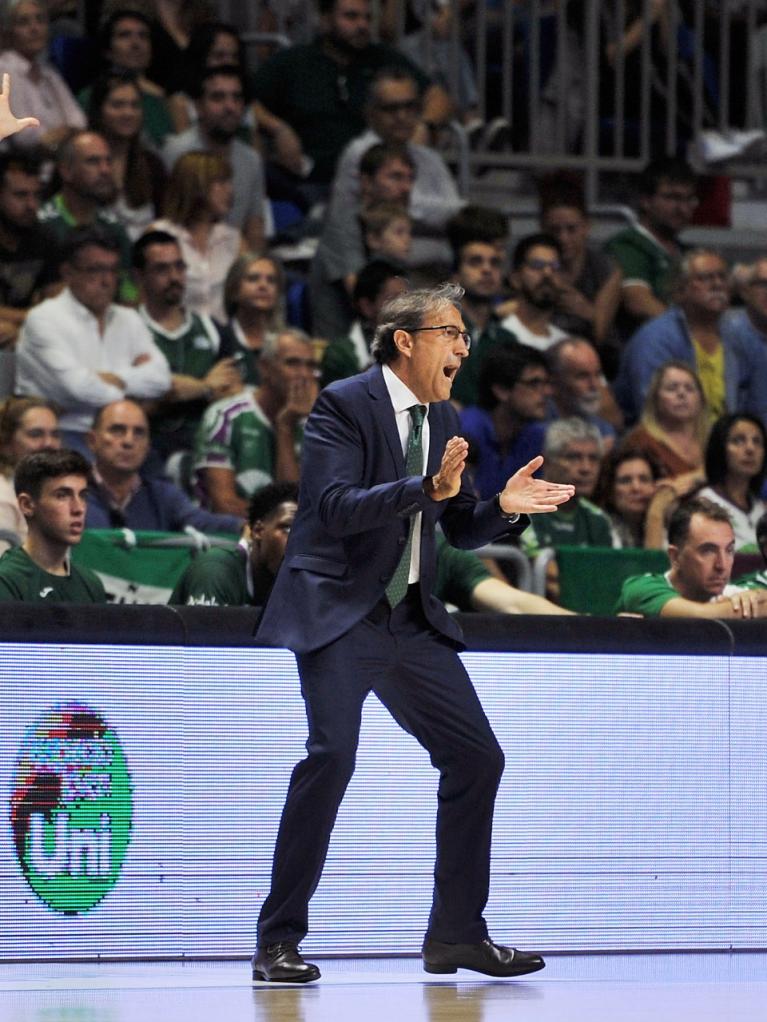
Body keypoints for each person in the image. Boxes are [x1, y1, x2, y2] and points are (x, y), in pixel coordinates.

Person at [252, 282, 575, 984]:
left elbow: (455, 525)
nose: (464, 345)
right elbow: (332, 508)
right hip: (340, 610)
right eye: (451, 332)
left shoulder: (443, 413)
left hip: (410, 617)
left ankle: (456, 934)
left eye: (465, 335)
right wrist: (422, 490)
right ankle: (276, 940)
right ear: (406, 341)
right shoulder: (344, 403)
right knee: (330, 758)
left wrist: (503, 509)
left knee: (476, 758)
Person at [251, 0, 450, 195]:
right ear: (325, 20)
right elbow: (245, 101)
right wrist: (277, 128)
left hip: (377, 184)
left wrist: (425, 125)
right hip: (309, 183)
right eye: (351, 17)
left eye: (367, 18)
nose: (362, 25)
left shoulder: (383, 58)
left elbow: (438, 97)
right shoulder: (293, 62)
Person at [15, 226, 171, 452]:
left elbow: (161, 379)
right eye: (95, 270)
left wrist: (110, 378)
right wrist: (133, 395)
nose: (107, 280)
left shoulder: (128, 319)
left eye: (112, 270)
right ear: (68, 273)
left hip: (122, 433)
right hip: (63, 435)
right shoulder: (43, 319)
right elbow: (78, 388)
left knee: (163, 484)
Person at [614, 249, 767, 428]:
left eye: (722, 277)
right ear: (680, 290)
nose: (717, 284)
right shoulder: (656, 340)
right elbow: (655, 415)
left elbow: (760, 409)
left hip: (727, 447)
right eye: (704, 278)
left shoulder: (742, 338)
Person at [329, 66, 462, 265]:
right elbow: (397, 207)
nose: (402, 116)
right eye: (391, 109)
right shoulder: (360, 152)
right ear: (371, 113)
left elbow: (456, 213)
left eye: (410, 107)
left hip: (431, 259)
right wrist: (439, 212)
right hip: (371, 254)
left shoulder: (429, 157)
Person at [133, 229, 240, 462]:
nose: (174, 277)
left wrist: (174, 393)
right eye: (162, 269)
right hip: (148, 450)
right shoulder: (128, 328)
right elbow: (139, 400)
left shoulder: (212, 329)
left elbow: (233, 391)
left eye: (179, 267)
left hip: (207, 447)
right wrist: (206, 387)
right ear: (139, 276)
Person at [194, 328, 319, 517]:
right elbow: (223, 505)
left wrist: (285, 426)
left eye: (310, 366)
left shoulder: (313, 425)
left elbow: (297, 505)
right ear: (264, 368)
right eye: (292, 363)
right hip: (227, 537)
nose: (304, 374)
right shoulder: (225, 416)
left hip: (284, 539)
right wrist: (276, 523)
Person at [85, 398, 241, 535]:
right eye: (117, 431)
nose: (129, 441)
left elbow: (203, 522)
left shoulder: (163, 496)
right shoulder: (71, 494)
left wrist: (249, 526)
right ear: (92, 440)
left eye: (139, 433)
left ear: (147, 446)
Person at [309, 141, 415, 340]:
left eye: (410, 179)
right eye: (395, 177)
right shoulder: (344, 224)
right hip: (340, 348)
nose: (406, 187)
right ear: (366, 182)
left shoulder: (396, 230)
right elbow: (366, 298)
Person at [162, 65, 265, 252]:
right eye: (218, 98)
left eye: (237, 98)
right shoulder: (176, 153)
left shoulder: (251, 159)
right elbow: (166, 218)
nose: (230, 107)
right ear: (198, 106)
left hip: (234, 259)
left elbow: (255, 227)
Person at [614, 496, 767, 618]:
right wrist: (747, 609)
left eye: (729, 550)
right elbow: (701, 616)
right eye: (708, 551)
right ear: (675, 556)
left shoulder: (739, 594)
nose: (721, 565)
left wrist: (755, 595)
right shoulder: (642, 589)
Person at [604, 156, 698, 338]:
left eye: (689, 200)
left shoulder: (689, 253)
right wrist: (693, 336)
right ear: (646, 200)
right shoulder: (627, 245)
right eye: (672, 198)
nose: (682, 209)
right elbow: (638, 301)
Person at [37, 129, 136, 302]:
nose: (105, 170)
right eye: (93, 162)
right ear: (66, 171)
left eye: (108, 161)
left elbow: (130, 293)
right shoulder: (42, 224)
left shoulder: (114, 227)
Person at [0, 448, 105, 602]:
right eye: (62, 495)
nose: (78, 508)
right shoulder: (7, 580)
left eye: (82, 495)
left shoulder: (91, 584)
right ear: (27, 505)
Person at [169, 481, 298, 606]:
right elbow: (202, 627)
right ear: (258, 531)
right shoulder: (216, 569)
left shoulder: (301, 584)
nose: (298, 541)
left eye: (306, 533)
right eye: (288, 529)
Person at [149, 150, 242, 322]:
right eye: (220, 182)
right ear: (195, 186)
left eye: (229, 182)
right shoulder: (159, 235)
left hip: (224, 338)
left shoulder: (234, 239)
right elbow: (140, 291)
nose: (230, 190)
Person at [537, 174, 622, 352]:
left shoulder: (606, 269)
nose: (563, 238)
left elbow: (601, 332)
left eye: (571, 229)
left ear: (586, 226)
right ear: (543, 228)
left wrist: (584, 310)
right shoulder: (532, 265)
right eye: (555, 230)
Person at [459, 345, 550, 501]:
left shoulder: (535, 435)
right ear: (501, 390)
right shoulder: (467, 430)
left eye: (546, 383)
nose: (546, 392)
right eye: (534, 383)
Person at [446, 206, 517, 408]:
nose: (487, 270)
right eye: (475, 262)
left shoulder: (507, 339)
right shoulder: (437, 334)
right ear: (456, 276)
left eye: (495, 263)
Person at [87, 71, 167, 239]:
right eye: (117, 105)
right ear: (98, 111)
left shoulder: (152, 165)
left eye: (134, 105)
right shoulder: (82, 162)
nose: (128, 113)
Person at [79, 7, 174, 148]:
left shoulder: (164, 99)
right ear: (108, 50)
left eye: (143, 36)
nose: (136, 44)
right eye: (124, 35)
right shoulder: (91, 96)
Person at [521, 417, 613, 559]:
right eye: (574, 457)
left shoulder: (599, 520)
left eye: (593, 458)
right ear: (548, 462)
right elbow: (545, 575)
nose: (586, 468)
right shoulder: (522, 510)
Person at [0, 0, 86, 153]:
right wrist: (66, 133)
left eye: (40, 20)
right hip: (20, 165)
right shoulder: (4, 69)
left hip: (58, 159)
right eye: (23, 22)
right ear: (8, 32)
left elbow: (79, 121)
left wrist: (57, 135)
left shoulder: (49, 72)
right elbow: (23, 136)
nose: (34, 28)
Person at [0, 151, 58, 346]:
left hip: (25, 333)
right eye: (21, 195)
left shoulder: (44, 237)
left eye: (36, 195)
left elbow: (57, 304)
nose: (32, 205)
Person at [320, 258, 408, 387]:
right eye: (394, 300)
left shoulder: (426, 346)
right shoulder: (339, 355)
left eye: (407, 299)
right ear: (367, 306)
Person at [696, 413, 767, 551]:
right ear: (720, 448)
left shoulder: (761, 509)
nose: (750, 449)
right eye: (738, 440)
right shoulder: (705, 503)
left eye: (757, 441)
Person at [0, 395, 60, 552]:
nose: (49, 443)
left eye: (54, 434)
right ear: (5, 442)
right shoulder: (3, 499)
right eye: (35, 434)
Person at [221, 251, 286, 387]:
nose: (263, 286)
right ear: (234, 290)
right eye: (253, 279)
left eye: (271, 280)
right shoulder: (219, 339)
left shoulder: (285, 343)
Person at [499, 233, 570, 352]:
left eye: (555, 266)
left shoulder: (565, 344)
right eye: (537, 265)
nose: (547, 273)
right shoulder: (501, 335)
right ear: (515, 278)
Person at [546, 336, 620, 450]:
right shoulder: (537, 426)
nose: (594, 385)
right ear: (553, 382)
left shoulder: (604, 430)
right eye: (582, 376)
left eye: (597, 375)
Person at [592, 448, 660, 548]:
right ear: (610, 490)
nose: (636, 488)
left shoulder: (667, 528)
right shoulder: (598, 529)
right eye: (625, 481)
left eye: (644, 480)